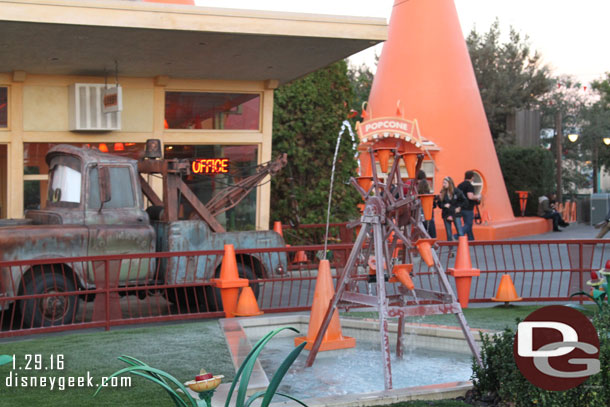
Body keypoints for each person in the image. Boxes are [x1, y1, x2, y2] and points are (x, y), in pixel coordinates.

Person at [435, 176, 466, 241]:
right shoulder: (442, 192)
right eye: (443, 183)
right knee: (449, 234)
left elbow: (464, 201)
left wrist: (459, 207)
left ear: (449, 183)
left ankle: (462, 247)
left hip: (455, 213)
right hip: (446, 213)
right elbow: (439, 204)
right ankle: (450, 249)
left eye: (445, 183)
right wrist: (444, 205)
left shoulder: (457, 191)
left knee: (460, 232)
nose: (443, 184)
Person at [457, 171, 481, 241]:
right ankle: (456, 236)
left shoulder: (460, 185)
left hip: (461, 207)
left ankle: (471, 239)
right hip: (469, 208)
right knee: (468, 224)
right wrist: (478, 196)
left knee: (467, 224)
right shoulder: (469, 186)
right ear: (472, 177)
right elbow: (470, 197)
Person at [416, 170, 436, 238]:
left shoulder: (418, 196)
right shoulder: (430, 196)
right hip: (430, 217)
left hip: (420, 218)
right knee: (432, 235)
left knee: (422, 236)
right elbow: (434, 205)